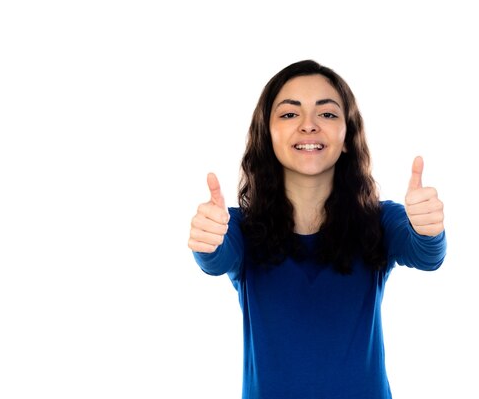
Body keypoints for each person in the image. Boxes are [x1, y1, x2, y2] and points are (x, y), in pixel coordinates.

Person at [188, 60, 446, 399]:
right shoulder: (240, 227)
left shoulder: (379, 220)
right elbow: (216, 258)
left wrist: (428, 230)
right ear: (268, 134)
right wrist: (206, 241)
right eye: (289, 114)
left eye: (326, 114)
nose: (309, 125)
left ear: (347, 137)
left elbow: (427, 256)